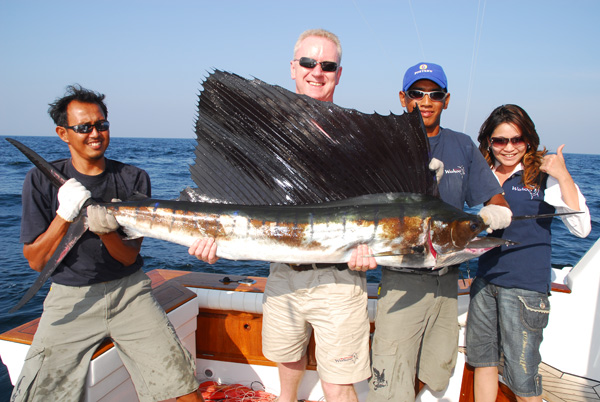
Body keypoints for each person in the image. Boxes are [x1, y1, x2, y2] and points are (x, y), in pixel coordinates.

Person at [189, 29, 375, 402]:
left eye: (327, 65)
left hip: (339, 279)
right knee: (287, 364)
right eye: (307, 62)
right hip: (282, 273)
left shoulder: (358, 139)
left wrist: (373, 249)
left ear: (339, 73)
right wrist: (212, 240)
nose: (316, 72)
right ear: (293, 68)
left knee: (339, 382)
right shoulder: (267, 136)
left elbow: (374, 213)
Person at [11, 85, 203, 402]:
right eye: (84, 127)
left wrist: (106, 231)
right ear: (63, 133)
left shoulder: (133, 178)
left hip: (130, 293)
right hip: (70, 298)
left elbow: (128, 258)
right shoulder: (39, 179)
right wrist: (64, 216)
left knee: (183, 391)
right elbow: (35, 261)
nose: (95, 133)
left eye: (102, 124)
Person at [363, 62, 513, 402]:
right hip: (402, 280)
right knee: (390, 380)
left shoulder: (462, 146)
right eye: (417, 93)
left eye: (435, 94)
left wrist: (492, 215)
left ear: (447, 100)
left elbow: (496, 199)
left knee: (437, 370)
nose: (426, 101)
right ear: (404, 98)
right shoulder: (387, 149)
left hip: (448, 282)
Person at [466, 104, 591, 401]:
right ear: (488, 142)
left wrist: (563, 176)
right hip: (485, 282)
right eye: (499, 141)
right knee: (482, 363)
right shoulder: (482, 175)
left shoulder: (541, 174)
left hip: (524, 289)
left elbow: (582, 227)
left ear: (528, 140)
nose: (508, 148)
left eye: (516, 140)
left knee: (522, 379)